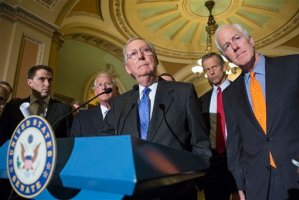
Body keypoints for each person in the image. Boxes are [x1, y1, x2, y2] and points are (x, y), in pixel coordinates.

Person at [102, 37, 211, 199]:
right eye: (133, 54)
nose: (140, 56)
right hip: (133, 192)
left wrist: (194, 179)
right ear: (127, 68)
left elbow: (200, 142)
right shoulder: (120, 103)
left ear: (156, 59)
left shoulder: (183, 92)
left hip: (177, 191)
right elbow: (106, 142)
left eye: (146, 50)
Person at [215, 23, 299, 199]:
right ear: (227, 57)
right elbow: (234, 145)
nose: (235, 47)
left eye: (236, 38)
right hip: (259, 185)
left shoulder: (294, 66)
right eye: (227, 47)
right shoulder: (230, 94)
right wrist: (239, 185)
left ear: (251, 40)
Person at [0, 65, 73, 145]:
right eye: (42, 79)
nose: (47, 84)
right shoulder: (13, 107)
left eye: (50, 80)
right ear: (30, 82)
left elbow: (68, 141)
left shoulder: (64, 110)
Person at [198, 52, 238, 200]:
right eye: (207, 69)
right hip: (213, 165)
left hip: (239, 160)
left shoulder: (240, 91)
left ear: (224, 67)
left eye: (214, 67)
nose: (211, 72)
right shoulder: (201, 101)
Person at [71, 71, 117, 137]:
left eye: (108, 83)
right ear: (95, 92)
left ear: (115, 89)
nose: (103, 87)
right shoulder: (82, 118)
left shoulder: (125, 114)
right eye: (100, 85)